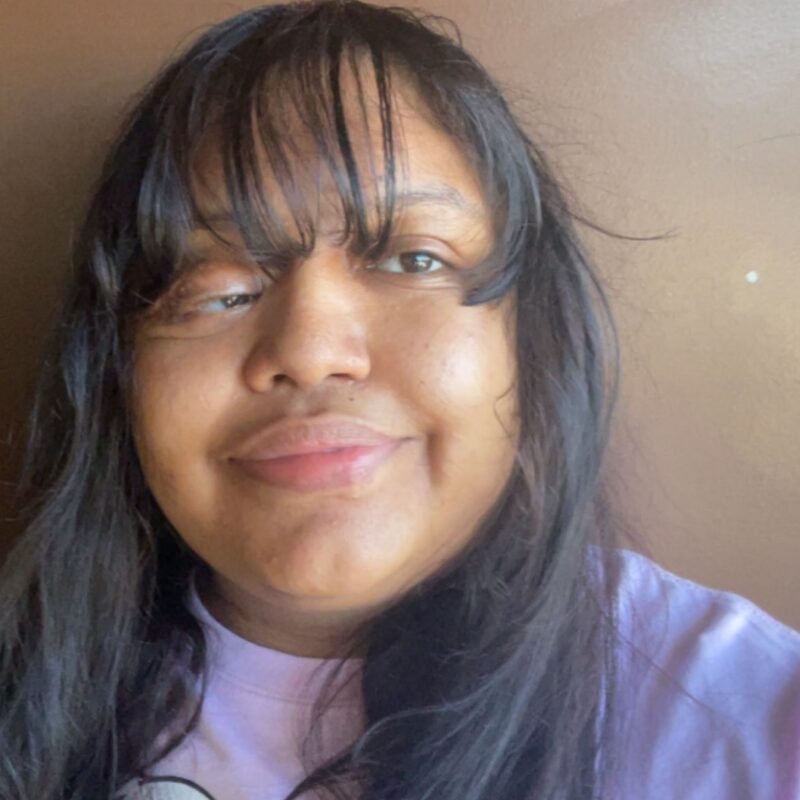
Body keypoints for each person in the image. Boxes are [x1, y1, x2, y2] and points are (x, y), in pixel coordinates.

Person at [1, 2, 797, 799]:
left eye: (414, 259)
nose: (309, 351)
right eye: (218, 292)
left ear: (530, 335)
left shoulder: (738, 716)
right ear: (118, 373)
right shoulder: (30, 689)